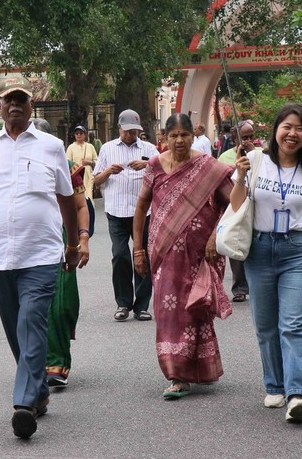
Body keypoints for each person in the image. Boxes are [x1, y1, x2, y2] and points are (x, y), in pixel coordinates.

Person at [0, 76, 80, 439]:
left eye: (21, 100)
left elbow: (66, 198)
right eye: (8, 100)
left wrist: (73, 244)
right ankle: (40, 389)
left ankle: (24, 404)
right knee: (16, 329)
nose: (14, 105)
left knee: (31, 323)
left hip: (41, 254)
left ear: (32, 107)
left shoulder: (52, 146)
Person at [230, 103, 302, 423]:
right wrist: (240, 176)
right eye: (287, 126)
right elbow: (236, 206)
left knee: (293, 326)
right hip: (259, 250)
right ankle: (274, 385)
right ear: (276, 130)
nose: (292, 133)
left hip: (295, 251)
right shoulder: (257, 161)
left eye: (300, 128)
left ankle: (297, 395)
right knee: (266, 326)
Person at [133, 113, 234, 398]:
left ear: (193, 137)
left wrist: (216, 236)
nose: (179, 140)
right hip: (163, 254)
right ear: (163, 138)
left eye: (184, 135)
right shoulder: (154, 166)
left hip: (199, 255)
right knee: (166, 311)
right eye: (173, 135)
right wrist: (138, 249)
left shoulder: (208, 168)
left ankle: (195, 369)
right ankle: (177, 374)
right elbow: (141, 207)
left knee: (194, 308)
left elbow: (235, 203)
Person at [34, 119, 91, 389]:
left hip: (60, 243)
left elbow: (80, 206)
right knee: (32, 308)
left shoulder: (66, 168)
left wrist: (82, 240)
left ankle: (56, 363)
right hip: (27, 245)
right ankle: (37, 364)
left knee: (60, 307)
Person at [93, 109, 159, 321]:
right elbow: (95, 180)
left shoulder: (149, 148)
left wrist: (147, 164)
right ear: (119, 128)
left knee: (143, 256)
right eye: (128, 131)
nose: (132, 135)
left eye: (135, 131)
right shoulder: (107, 148)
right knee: (120, 256)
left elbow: (166, 170)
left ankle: (141, 305)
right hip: (117, 211)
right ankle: (123, 303)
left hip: (144, 213)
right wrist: (108, 172)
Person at [217, 120, 253, 302]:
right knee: (236, 243)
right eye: (244, 137)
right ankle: (239, 288)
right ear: (234, 137)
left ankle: (256, 284)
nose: (248, 141)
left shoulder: (261, 154)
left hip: (255, 207)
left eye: (251, 137)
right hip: (234, 207)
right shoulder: (224, 158)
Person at [66, 124, 98, 236]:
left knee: (89, 198)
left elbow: (97, 161)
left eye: (81, 133)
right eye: (77, 133)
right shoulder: (71, 147)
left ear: (85, 135)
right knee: (79, 199)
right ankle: (79, 224)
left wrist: (89, 163)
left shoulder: (90, 147)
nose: (79, 135)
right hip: (76, 177)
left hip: (88, 175)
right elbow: (67, 163)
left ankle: (89, 224)